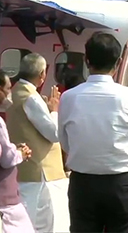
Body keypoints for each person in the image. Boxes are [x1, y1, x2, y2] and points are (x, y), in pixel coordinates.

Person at [58, 32, 128, 233]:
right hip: (121, 183)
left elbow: (65, 143)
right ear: (118, 63)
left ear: (86, 60)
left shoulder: (69, 97)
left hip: (83, 183)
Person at [6, 53, 66, 233]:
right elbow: (54, 133)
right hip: (41, 171)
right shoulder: (31, 97)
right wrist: (55, 110)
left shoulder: (16, 92)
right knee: (45, 223)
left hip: (25, 169)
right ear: (42, 74)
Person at [0, 70, 35, 233]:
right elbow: (6, 158)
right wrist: (21, 153)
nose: (10, 93)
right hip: (5, 201)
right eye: (7, 89)